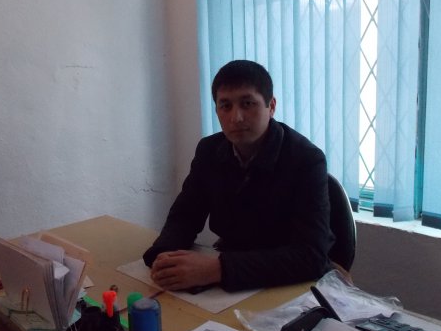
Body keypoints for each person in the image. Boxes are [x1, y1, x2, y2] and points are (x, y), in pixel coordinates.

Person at [143, 60, 334, 292]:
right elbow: (185, 215)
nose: (236, 117)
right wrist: (164, 256)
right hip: (233, 273)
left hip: (290, 282)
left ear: (271, 106)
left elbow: (311, 256)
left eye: (247, 104)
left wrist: (218, 269)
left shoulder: (306, 159)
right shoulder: (209, 150)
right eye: (225, 106)